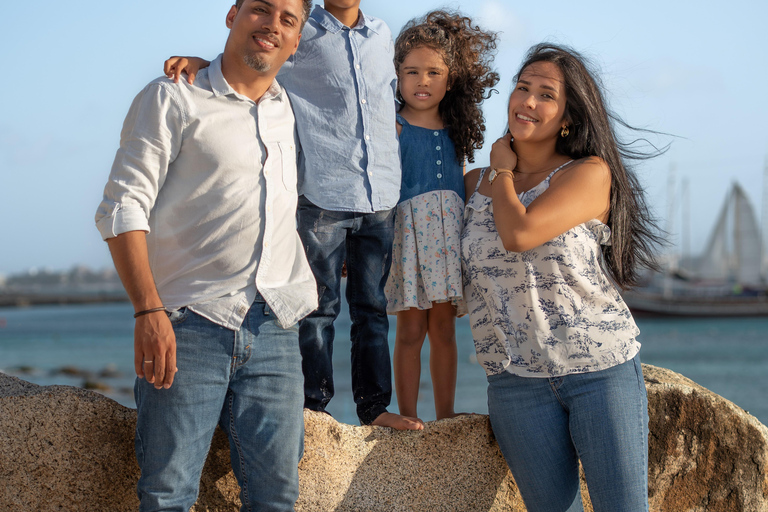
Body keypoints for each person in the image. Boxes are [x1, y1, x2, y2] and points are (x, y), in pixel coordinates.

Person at [94, 0, 317, 510]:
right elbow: (122, 206)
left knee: (277, 496)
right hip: (187, 323)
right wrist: (148, 311)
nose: (273, 25)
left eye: (289, 19)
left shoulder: (291, 107)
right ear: (232, 13)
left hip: (277, 327)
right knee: (168, 495)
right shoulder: (173, 96)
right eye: (261, 9)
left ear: (299, 39)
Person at [164, 1, 423, 430]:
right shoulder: (302, 30)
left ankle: (374, 409)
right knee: (318, 309)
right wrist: (203, 64)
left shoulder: (381, 35)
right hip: (323, 193)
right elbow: (258, 58)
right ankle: (312, 409)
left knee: (372, 310)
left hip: (381, 196)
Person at [461, 43, 663, 511]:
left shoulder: (588, 174)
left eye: (545, 95)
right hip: (513, 379)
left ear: (567, 117)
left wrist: (504, 172)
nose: (527, 101)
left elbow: (520, 233)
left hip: (598, 371)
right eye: (522, 88)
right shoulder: (472, 185)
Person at [385, 11, 498, 421]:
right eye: (411, 71)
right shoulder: (391, 126)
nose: (423, 81)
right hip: (410, 237)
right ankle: (409, 415)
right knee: (411, 332)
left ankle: (446, 416)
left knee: (445, 332)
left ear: (450, 80)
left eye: (434, 72)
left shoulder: (456, 128)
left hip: (449, 238)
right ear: (396, 75)